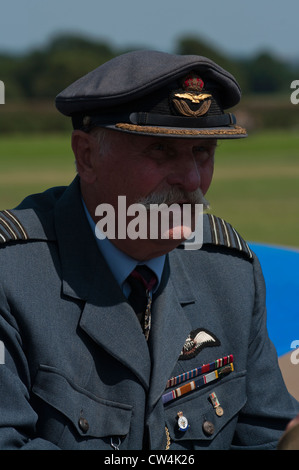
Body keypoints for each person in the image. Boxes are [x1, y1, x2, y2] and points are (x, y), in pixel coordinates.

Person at [0, 50, 298, 450]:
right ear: (86, 156)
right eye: (161, 150)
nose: (191, 179)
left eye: (203, 153)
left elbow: (268, 437)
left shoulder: (230, 273)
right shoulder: (12, 275)